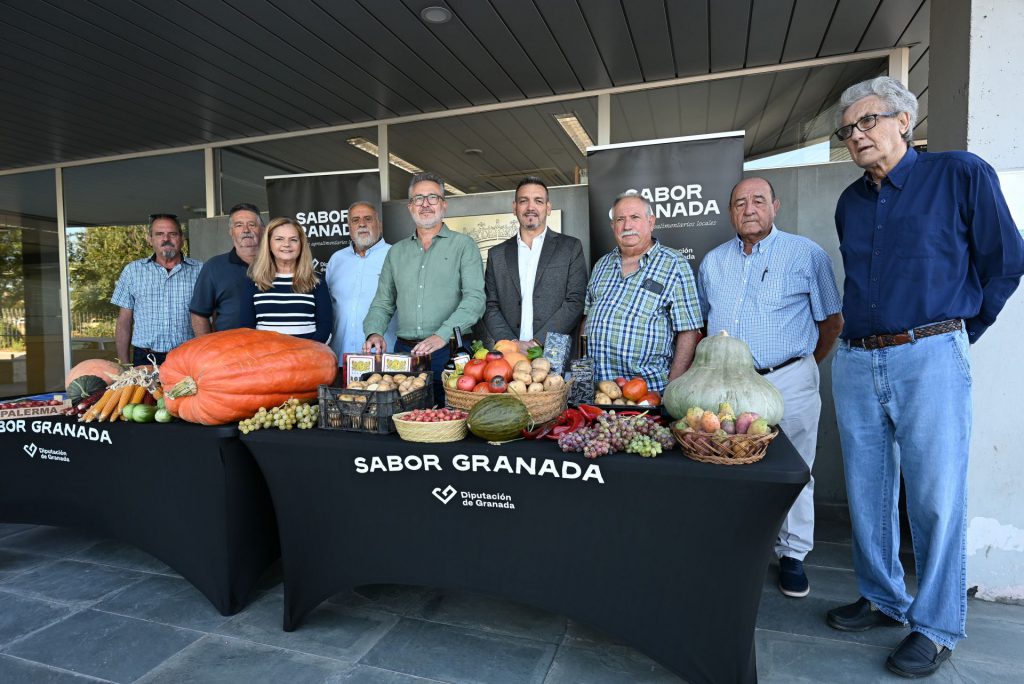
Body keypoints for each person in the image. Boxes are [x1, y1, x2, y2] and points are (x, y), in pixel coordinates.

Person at [826, 76, 1024, 679]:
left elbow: (1006, 261)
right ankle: (883, 597)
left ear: (903, 120)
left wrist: (959, 336)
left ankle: (935, 626)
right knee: (869, 492)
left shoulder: (960, 173)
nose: (857, 135)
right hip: (857, 358)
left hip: (930, 352)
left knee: (935, 497)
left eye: (867, 121)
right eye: (848, 129)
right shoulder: (849, 203)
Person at [698, 177, 843, 599]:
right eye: (739, 202)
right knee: (730, 466)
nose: (749, 209)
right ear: (730, 212)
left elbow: (831, 321)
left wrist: (802, 368)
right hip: (728, 383)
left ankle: (793, 554)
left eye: (758, 201)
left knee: (794, 469)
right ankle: (736, 548)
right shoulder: (713, 262)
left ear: (775, 206)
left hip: (788, 378)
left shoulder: (806, 254)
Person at [363, 172, 485, 394]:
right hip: (404, 356)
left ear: (444, 204)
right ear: (410, 207)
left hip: (450, 352)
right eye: (418, 198)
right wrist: (374, 332)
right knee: (402, 421)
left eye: (432, 197)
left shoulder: (463, 246)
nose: (425, 204)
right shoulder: (396, 252)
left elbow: (475, 299)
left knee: (448, 421)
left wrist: (442, 334)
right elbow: (383, 302)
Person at [585, 192, 702, 392]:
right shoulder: (601, 265)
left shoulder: (674, 263)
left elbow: (688, 330)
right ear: (613, 226)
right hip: (599, 391)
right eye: (620, 219)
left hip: (649, 391)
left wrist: (673, 388)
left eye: (635, 218)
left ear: (651, 222)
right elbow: (586, 320)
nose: (627, 226)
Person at [482, 176, 587, 351]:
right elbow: (490, 305)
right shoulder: (497, 254)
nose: (531, 207)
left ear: (548, 208)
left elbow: (575, 301)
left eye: (538, 201)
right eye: (524, 201)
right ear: (515, 208)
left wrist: (537, 343)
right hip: (509, 355)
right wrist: (512, 344)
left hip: (554, 353)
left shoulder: (570, 248)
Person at [112, 213, 202, 366]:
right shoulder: (132, 271)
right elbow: (124, 321)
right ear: (150, 239)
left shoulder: (201, 270)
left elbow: (213, 316)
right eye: (159, 234)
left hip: (188, 357)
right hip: (145, 358)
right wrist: (124, 365)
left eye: (172, 234)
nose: (166, 239)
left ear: (181, 238)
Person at [239, 217, 333, 342]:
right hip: (265, 358)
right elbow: (247, 329)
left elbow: (325, 326)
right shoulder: (254, 281)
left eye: (293, 240)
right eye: (279, 239)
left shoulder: (316, 280)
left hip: (308, 357)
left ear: (301, 244)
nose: (286, 244)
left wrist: (309, 351)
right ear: (269, 244)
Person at [325, 201, 397, 358]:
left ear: (380, 224)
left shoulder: (396, 256)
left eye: (368, 219)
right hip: (341, 357)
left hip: (383, 357)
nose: (362, 224)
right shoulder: (336, 260)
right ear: (349, 227)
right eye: (355, 220)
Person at [190, 203, 265, 336]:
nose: (246, 230)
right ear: (231, 231)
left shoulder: (278, 264)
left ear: (263, 230)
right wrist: (208, 350)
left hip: (273, 349)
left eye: (252, 224)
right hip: (229, 352)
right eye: (239, 225)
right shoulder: (214, 267)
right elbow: (199, 314)